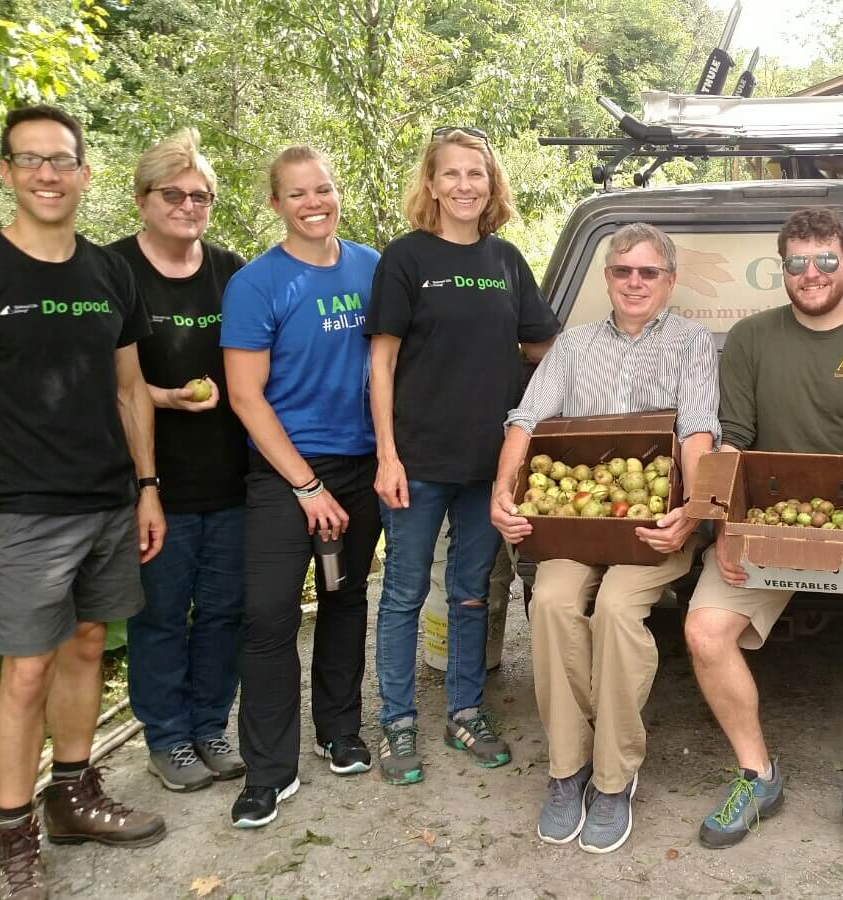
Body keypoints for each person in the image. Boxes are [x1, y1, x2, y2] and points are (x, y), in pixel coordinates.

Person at [0, 104, 167, 900]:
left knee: (89, 644)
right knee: (24, 672)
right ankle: (13, 835)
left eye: (61, 160)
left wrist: (148, 488)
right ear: (6, 172)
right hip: (22, 509)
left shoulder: (108, 272)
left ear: (85, 174)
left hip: (108, 500)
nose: (48, 174)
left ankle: (73, 794)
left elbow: (131, 391)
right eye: (30, 160)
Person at [683, 207, 843, 875]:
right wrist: (725, 529)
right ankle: (757, 773)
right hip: (769, 523)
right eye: (798, 262)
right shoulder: (750, 338)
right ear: (782, 268)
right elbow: (733, 437)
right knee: (706, 631)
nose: (813, 273)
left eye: (826, 260)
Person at [491, 223, 719, 854]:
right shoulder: (574, 345)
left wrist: (693, 511)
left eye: (649, 272)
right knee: (553, 603)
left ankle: (615, 776)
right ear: (608, 278)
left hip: (653, 522)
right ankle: (569, 767)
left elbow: (698, 430)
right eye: (624, 271)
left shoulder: (691, 342)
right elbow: (526, 419)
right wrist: (502, 491)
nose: (636, 282)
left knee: (618, 609)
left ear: (669, 281)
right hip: (580, 520)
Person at [365, 126, 559, 783]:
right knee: (403, 593)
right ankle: (396, 723)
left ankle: (465, 711)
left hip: (488, 466)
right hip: (417, 461)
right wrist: (386, 455)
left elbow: (544, 348)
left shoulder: (506, 261)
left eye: (475, 173)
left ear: (491, 182)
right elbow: (381, 362)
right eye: (451, 174)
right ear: (431, 183)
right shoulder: (406, 258)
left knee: (472, 591)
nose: (464, 185)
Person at [222, 145, 381, 828]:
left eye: (323, 188)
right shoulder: (257, 284)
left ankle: (339, 731)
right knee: (268, 616)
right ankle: (269, 771)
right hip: (285, 472)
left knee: (346, 599)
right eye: (296, 194)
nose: (314, 203)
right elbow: (245, 396)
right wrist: (306, 484)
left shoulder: (373, 267)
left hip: (364, 464)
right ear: (275, 204)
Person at [109, 128, 249, 793]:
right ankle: (166, 738)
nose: (189, 205)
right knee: (160, 615)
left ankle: (211, 726)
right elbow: (98, 384)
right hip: (153, 482)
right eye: (175, 193)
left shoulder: (231, 271)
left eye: (202, 196)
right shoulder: (112, 273)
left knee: (222, 611)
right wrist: (160, 397)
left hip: (229, 476)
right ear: (143, 199)